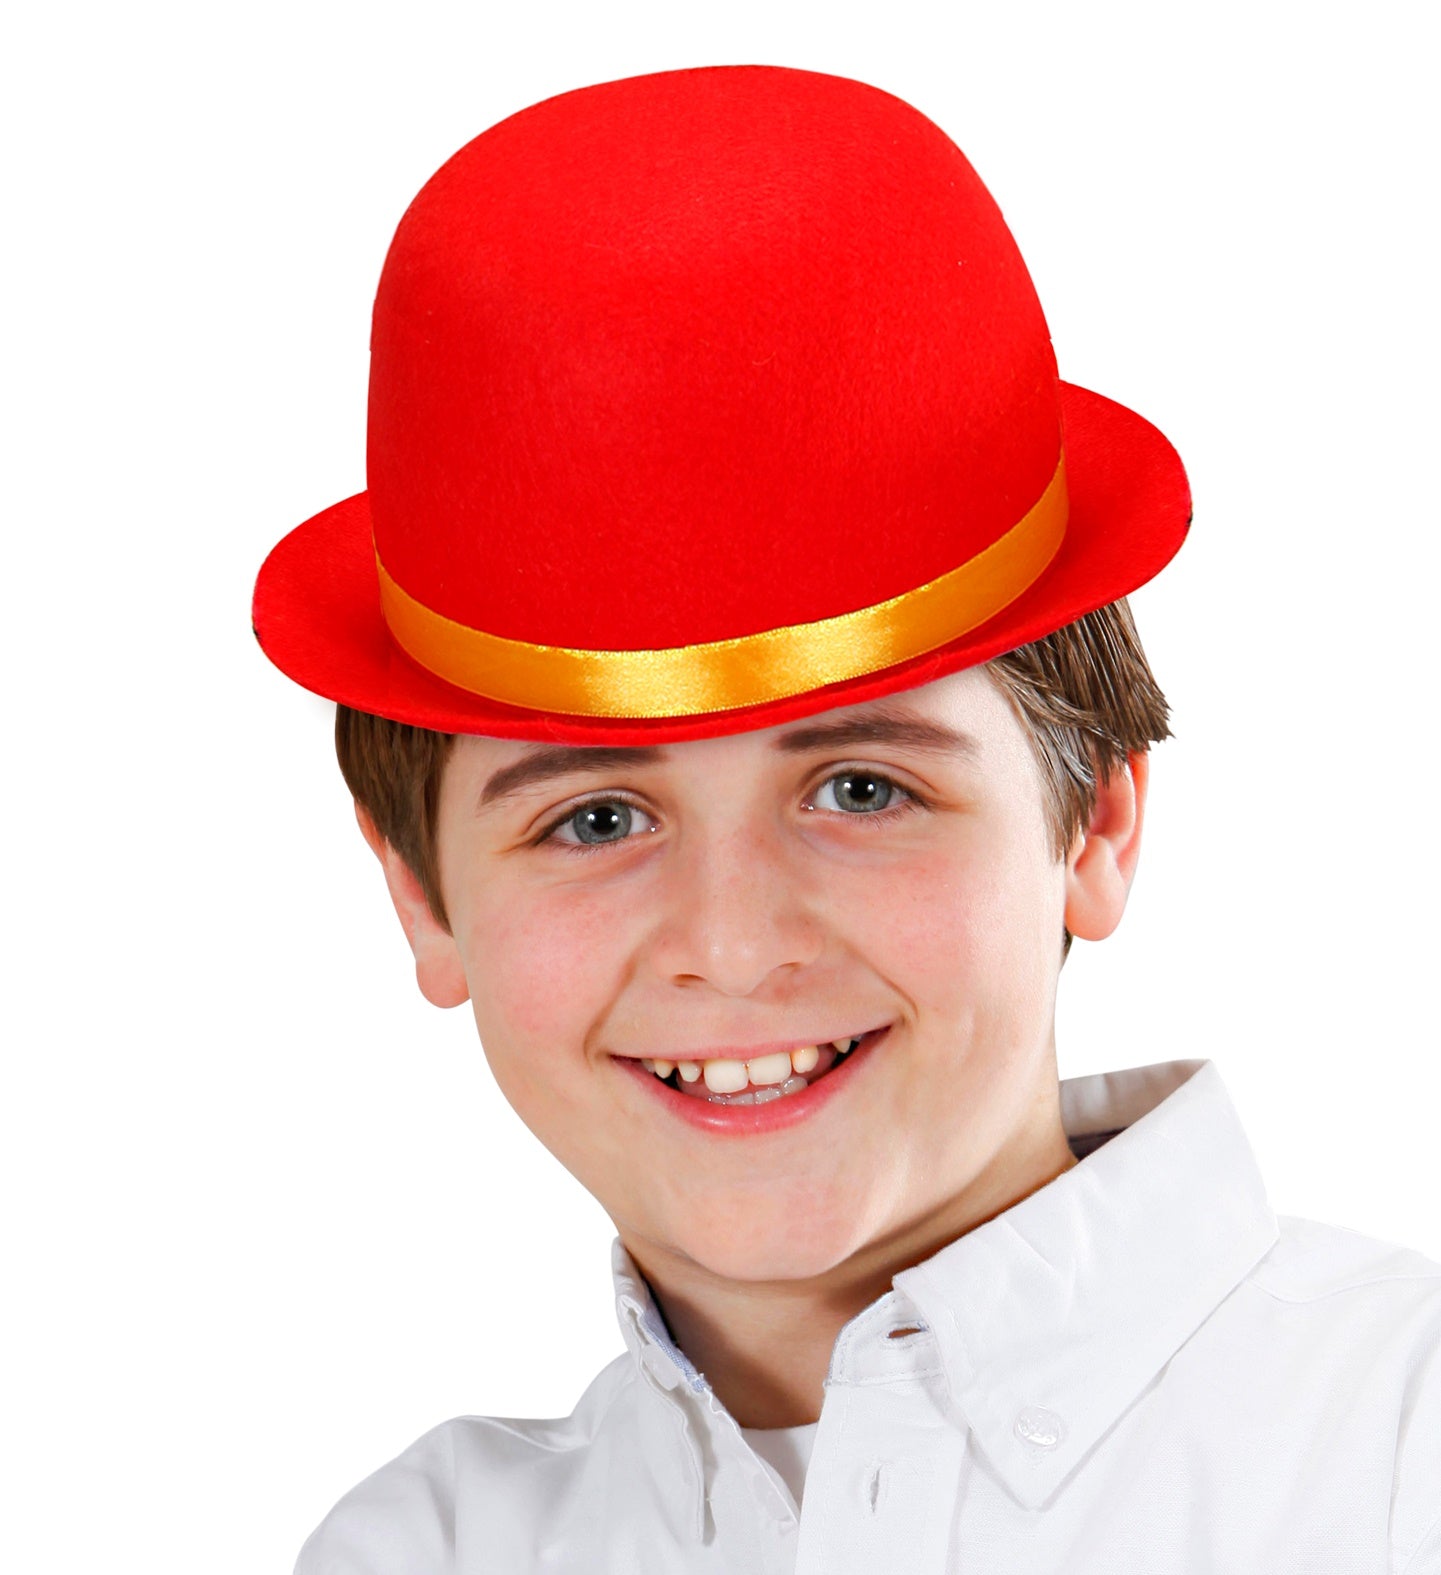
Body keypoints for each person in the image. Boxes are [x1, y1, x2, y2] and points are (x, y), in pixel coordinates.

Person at [252, 64, 1441, 1575]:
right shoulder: (426, 1550)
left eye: (860, 789)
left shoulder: (1398, 1453)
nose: (731, 945)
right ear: (420, 895)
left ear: (1093, 825)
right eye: (597, 818)